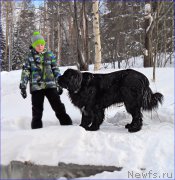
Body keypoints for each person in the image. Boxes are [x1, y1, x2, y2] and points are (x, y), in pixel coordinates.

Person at [19, 31, 72, 129]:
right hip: (36, 87)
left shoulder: (49, 55)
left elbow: (55, 70)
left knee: (58, 106)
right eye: (38, 45)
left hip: (50, 85)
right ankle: (36, 129)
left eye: (42, 44)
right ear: (33, 46)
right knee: (37, 110)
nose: (40, 47)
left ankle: (67, 125)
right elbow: (25, 71)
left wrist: (59, 83)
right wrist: (23, 86)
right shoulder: (29, 57)